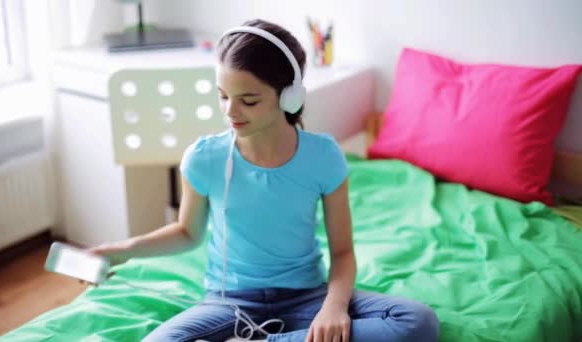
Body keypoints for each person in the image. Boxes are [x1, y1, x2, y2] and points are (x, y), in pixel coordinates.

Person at [90, 19, 439, 342]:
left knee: (416, 321)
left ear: (289, 97)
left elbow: (343, 252)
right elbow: (186, 232)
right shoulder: (205, 158)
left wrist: (332, 308)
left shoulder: (324, 157)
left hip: (309, 297)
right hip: (228, 303)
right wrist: (118, 252)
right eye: (223, 96)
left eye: (249, 100)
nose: (230, 111)